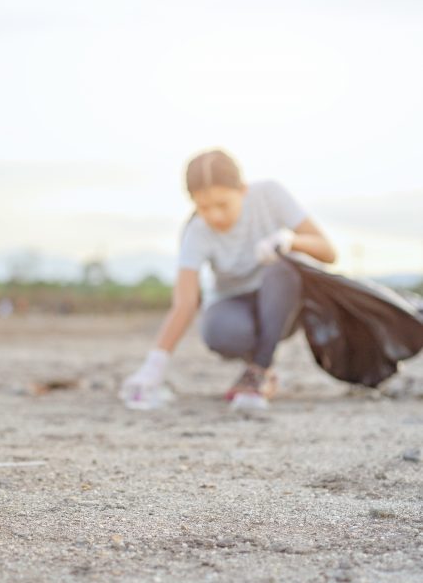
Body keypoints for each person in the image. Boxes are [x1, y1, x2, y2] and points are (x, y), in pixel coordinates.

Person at [119, 149, 336, 412]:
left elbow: (328, 251)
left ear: (243, 190)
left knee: (282, 270)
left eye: (222, 204)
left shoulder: (269, 194)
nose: (214, 216)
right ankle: (258, 365)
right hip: (234, 303)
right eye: (203, 207)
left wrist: (290, 241)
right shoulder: (196, 231)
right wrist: (153, 367)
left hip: (282, 302)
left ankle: (259, 370)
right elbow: (185, 303)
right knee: (222, 331)